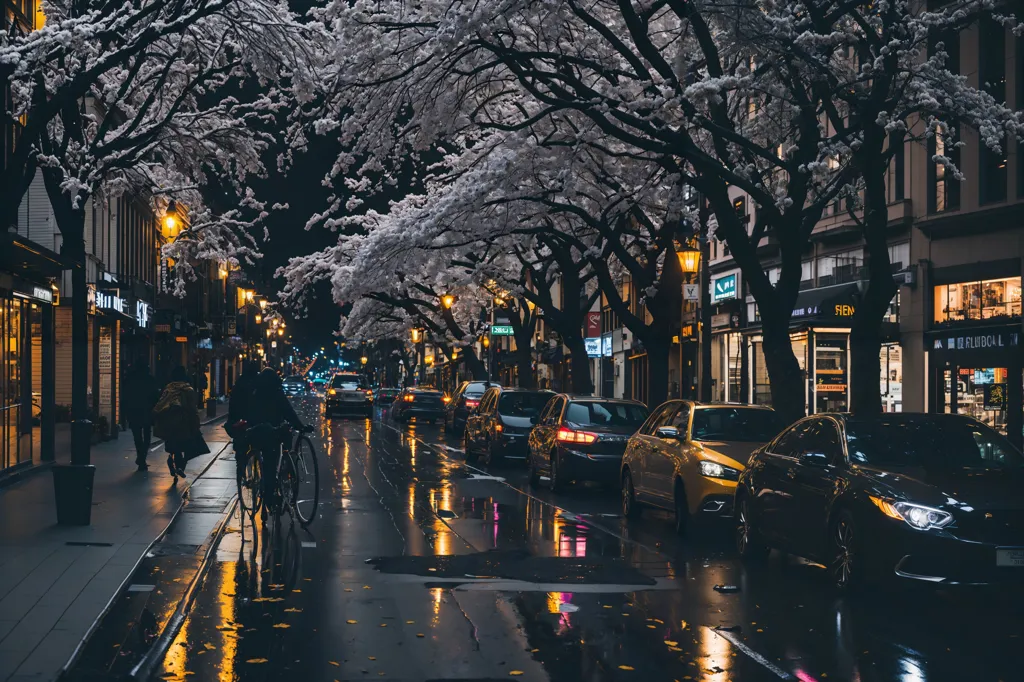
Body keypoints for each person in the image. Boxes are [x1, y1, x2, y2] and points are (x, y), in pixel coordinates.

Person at [247, 367, 305, 509]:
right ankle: (271, 494)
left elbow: (249, 414)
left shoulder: (255, 394)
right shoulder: (277, 394)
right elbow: (289, 412)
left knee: (269, 461)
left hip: (259, 432)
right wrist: (300, 426)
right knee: (271, 461)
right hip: (272, 433)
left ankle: (271, 487)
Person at [154, 366, 202, 482]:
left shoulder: (168, 389)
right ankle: (180, 467)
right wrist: (196, 422)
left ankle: (171, 460)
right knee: (184, 446)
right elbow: (192, 408)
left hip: (169, 422)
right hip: (184, 423)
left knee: (172, 446)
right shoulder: (188, 390)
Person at [121, 359, 161, 471]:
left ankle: (141, 457)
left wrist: (125, 411)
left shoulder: (129, 379)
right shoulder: (150, 379)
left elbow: (125, 396)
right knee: (147, 436)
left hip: (133, 411)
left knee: (137, 436)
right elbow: (155, 396)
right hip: (147, 411)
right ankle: (142, 457)